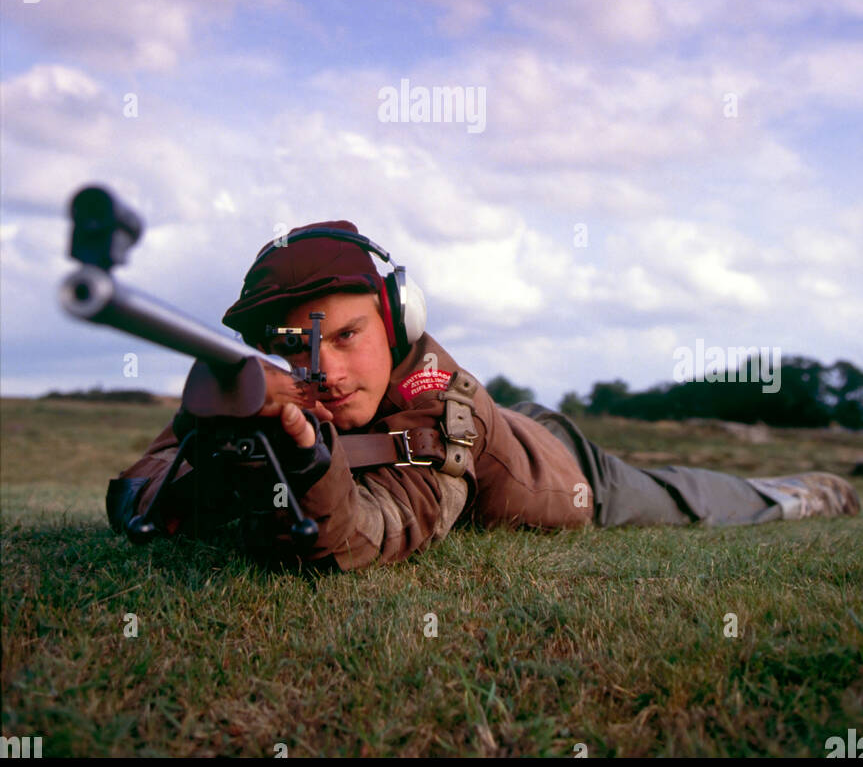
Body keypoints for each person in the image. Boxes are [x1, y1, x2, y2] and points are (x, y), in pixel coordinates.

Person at [106, 220, 860, 571]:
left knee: (691, 499)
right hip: (511, 431)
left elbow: (374, 532)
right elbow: (137, 496)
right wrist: (217, 444)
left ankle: (808, 493)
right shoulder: (252, 389)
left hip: (563, 470)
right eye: (293, 346)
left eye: (345, 335)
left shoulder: (441, 404)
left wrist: (304, 463)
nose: (324, 370)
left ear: (400, 320)